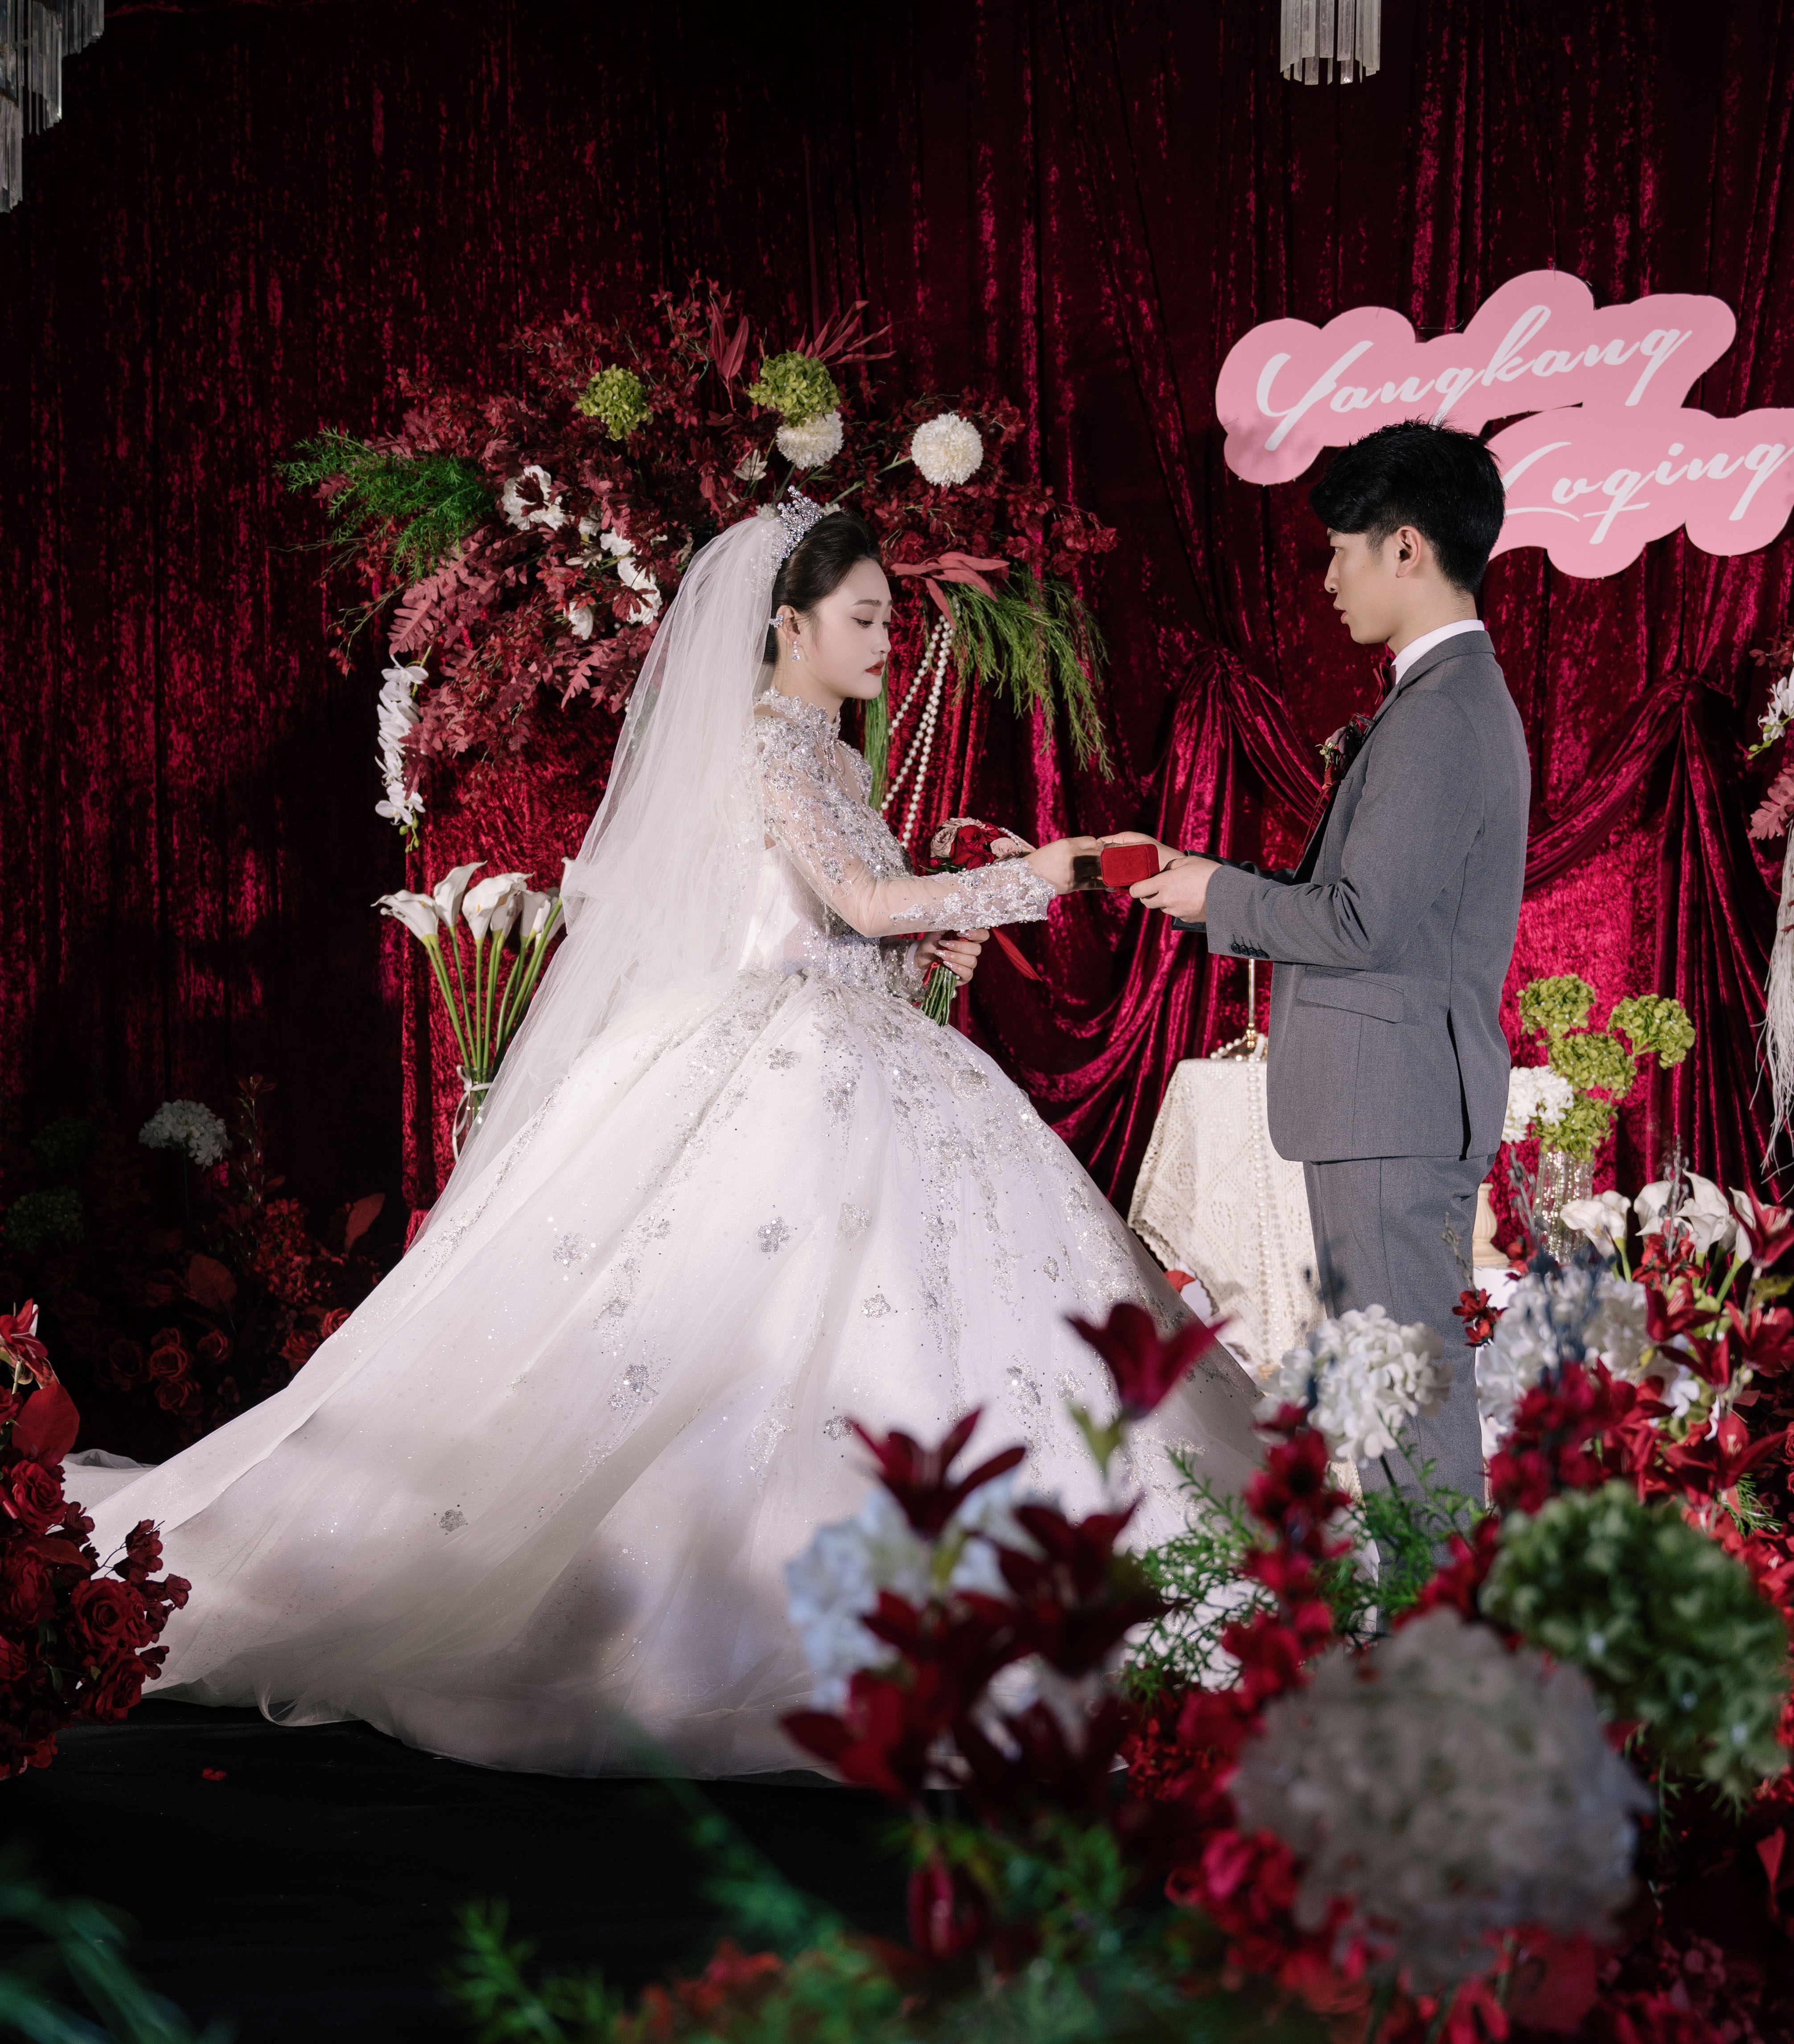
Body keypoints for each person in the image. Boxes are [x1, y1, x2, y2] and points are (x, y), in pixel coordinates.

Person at [69, 498, 1260, 1778]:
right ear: (789, 625)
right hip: (782, 1070)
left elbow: (852, 938)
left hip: (861, 1056)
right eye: (863, 619)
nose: (885, 643)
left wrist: (932, 960)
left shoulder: (837, 764)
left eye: (887, 622)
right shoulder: (768, 748)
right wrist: (1059, 872)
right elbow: (865, 902)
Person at [1113, 421, 1530, 1500]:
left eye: (1341, 551)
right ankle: (1424, 1596)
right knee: (1394, 1403)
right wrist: (1207, 882)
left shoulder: (1440, 713)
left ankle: (1435, 1605)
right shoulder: (1442, 698)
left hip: (1391, 1109)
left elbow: (1359, 925)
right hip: (1387, 1105)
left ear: (1405, 548)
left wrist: (1216, 895)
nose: (1329, 579)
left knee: (1405, 1409)